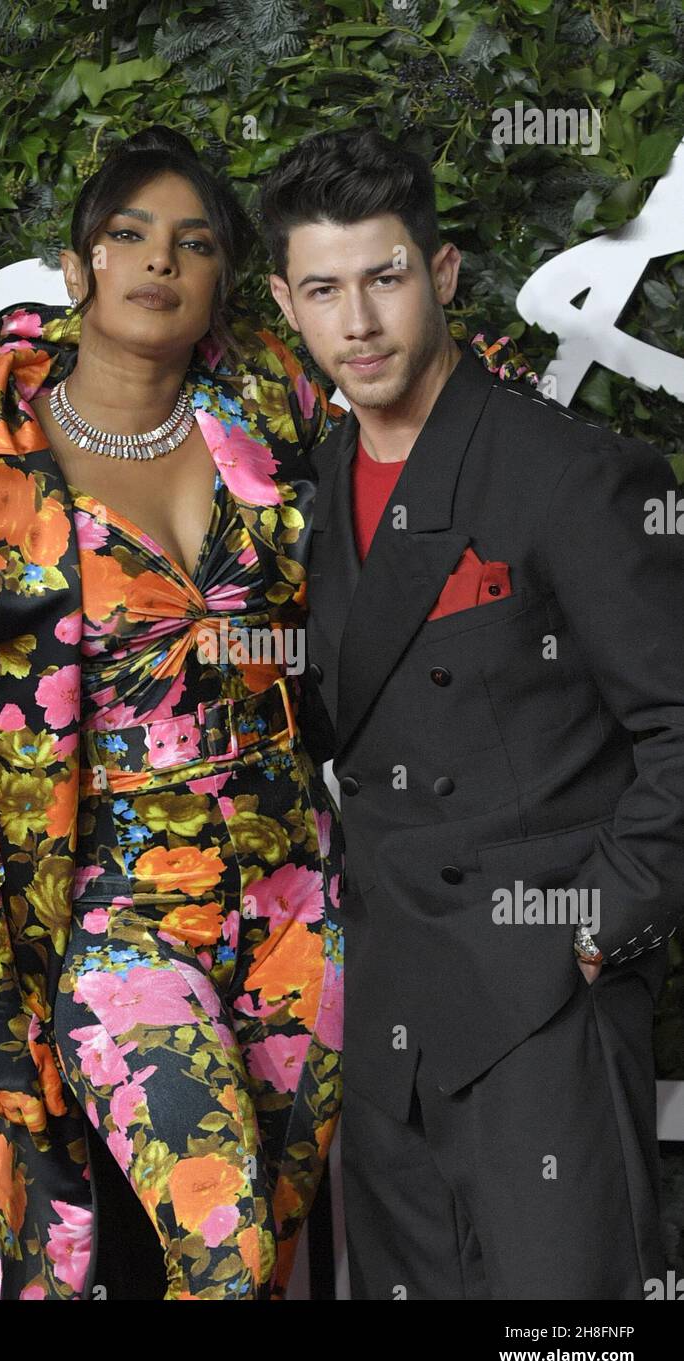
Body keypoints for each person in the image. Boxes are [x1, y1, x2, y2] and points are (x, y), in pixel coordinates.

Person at [0, 126, 348, 1301]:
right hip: (119, 916)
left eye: (193, 244)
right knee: (226, 1252)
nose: (158, 262)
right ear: (76, 267)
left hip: (292, 896)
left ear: (221, 284)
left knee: (267, 1255)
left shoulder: (264, 406)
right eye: (127, 234)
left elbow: (425, 385)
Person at [258, 128, 683, 1299]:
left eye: (384, 278)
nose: (359, 323)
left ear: (439, 274)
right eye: (324, 290)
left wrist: (591, 932)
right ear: (285, 304)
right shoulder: (309, 502)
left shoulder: (569, 473)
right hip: (390, 1019)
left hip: (538, 1006)